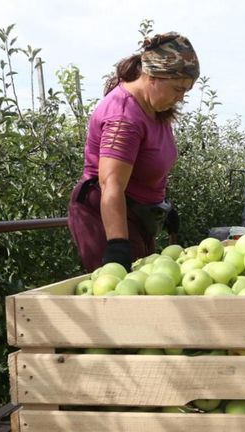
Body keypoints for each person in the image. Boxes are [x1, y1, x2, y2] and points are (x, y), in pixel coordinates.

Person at [67, 32, 199, 272]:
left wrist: (161, 203)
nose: (180, 98)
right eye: (177, 89)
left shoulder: (155, 110)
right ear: (152, 76)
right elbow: (112, 184)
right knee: (125, 298)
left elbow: (148, 165)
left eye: (185, 92)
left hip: (139, 216)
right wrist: (117, 244)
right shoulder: (123, 116)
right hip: (108, 217)